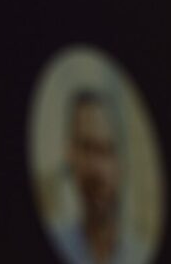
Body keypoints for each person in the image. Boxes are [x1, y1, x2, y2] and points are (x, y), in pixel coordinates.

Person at [54, 90, 144, 264]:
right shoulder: (58, 241)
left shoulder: (139, 255)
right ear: (71, 155)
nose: (97, 168)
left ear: (122, 164)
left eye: (107, 150)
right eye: (87, 148)